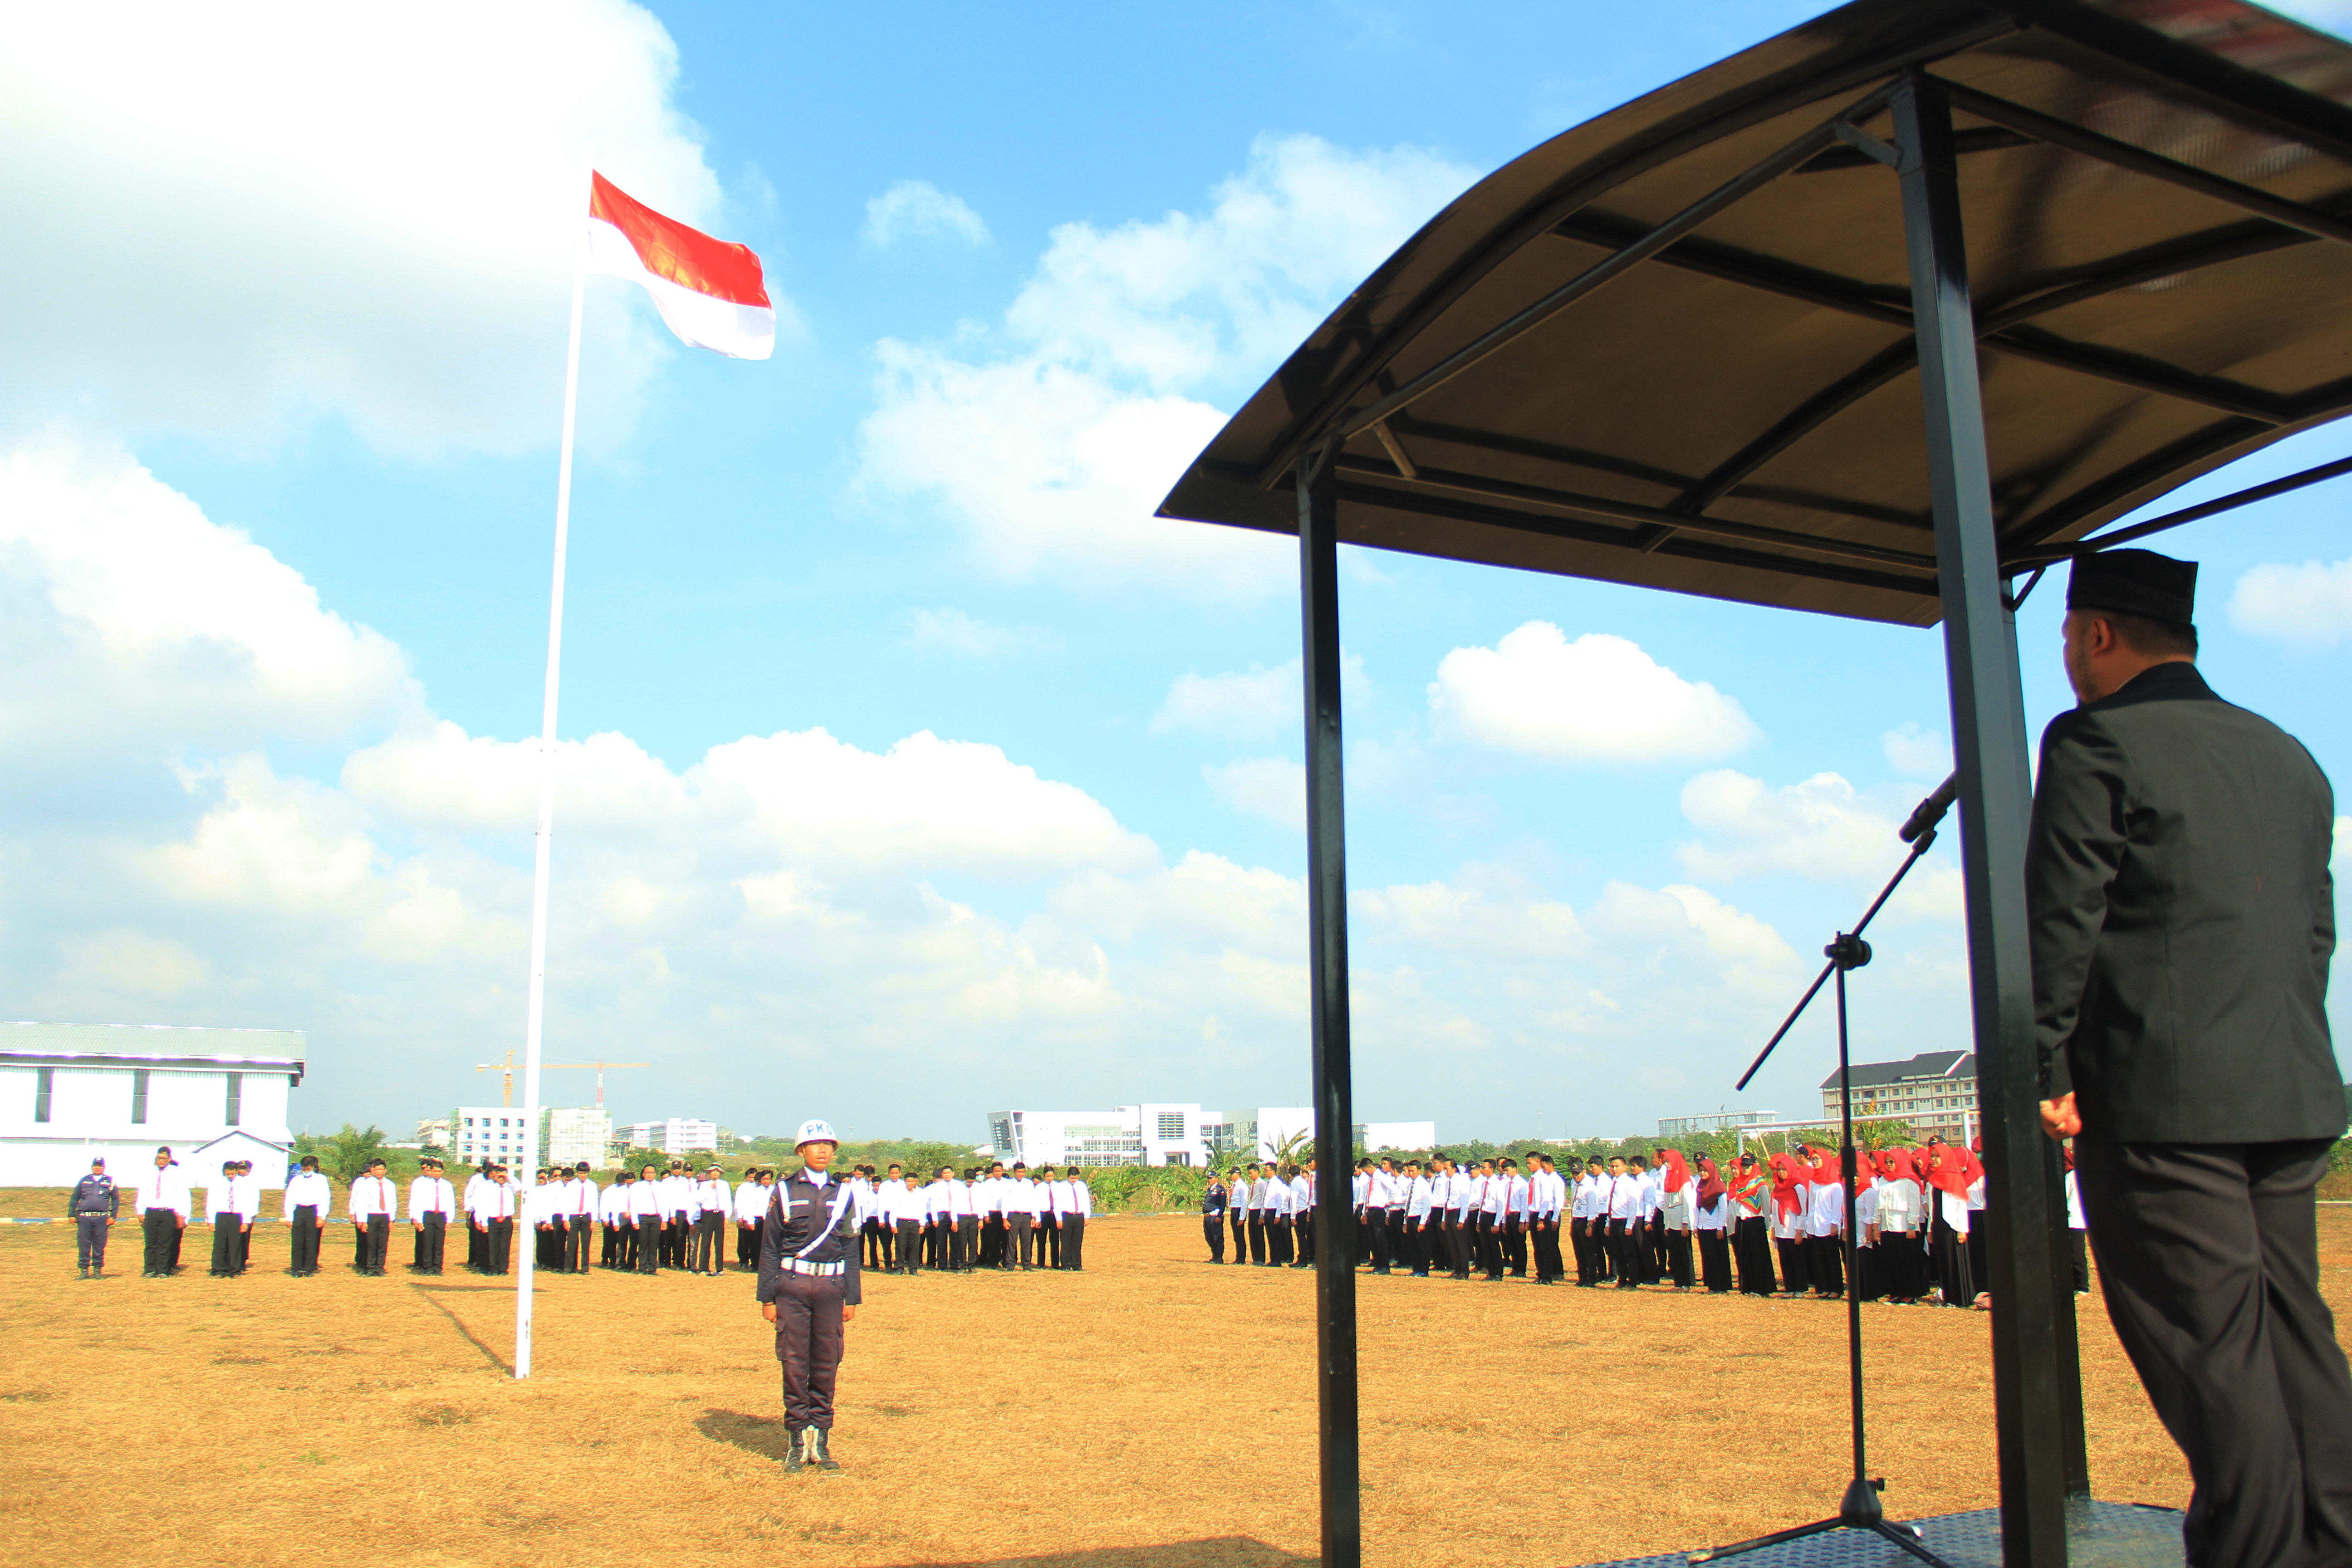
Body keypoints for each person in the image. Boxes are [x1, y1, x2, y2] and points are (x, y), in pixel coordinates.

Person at [2026, 548, 2352, 1568]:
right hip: (2286, 1084)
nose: (2071, 658)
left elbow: (2062, 914)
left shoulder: (2095, 741)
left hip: (2163, 1098)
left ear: (2099, 634)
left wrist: (2045, 1068)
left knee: (2215, 1354)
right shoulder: (2290, 754)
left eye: (2071, 638)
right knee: (2296, 1337)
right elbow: (2314, 935)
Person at [757, 1119, 861, 1474]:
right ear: (801, 1150)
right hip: (793, 1286)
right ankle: (797, 1440)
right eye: (815, 1145)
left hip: (832, 1289)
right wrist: (767, 1298)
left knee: (827, 1362)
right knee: (794, 1362)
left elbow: (850, 1248)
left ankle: (822, 1437)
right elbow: (770, 1249)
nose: (822, 1150)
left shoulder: (845, 1192)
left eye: (828, 1145)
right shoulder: (784, 1191)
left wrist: (852, 1298)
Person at [137, 1146, 191, 1278]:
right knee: (151, 1242)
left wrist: (182, 1215)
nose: (161, 1161)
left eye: (163, 1158)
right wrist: (140, 1211)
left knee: (165, 1243)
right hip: (151, 1211)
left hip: (168, 1212)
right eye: (158, 1158)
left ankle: (162, 1270)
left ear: (169, 1159)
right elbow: (143, 1192)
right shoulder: (149, 1172)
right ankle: (150, 1269)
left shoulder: (177, 1173)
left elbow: (183, 1194)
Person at [1729, 1152, 1774, 1295]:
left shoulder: (1761, 1184)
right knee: (1745, 1255)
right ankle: (1747, 1287)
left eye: (1748, 1166)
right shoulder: (1741, 1184)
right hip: (1742, 1221)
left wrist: (1767, 1224)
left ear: (1754, 1166)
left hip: (1756, 1222)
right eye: (1743, 1165)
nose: (1745, 1169)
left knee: (1757, 1256)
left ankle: (1760, 1288)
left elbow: (1766, 1206)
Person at [70, 1157, 118, 1279]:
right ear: (92, 1167)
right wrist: (71, 1214)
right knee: (84, 1244)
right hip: (85, 1218)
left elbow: (116, 1200)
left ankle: (97, 1270)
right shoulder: (84, 1181)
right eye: (95, 1166)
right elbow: (75, 1198)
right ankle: (84, 1271)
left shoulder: (110, 1181)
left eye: (100, 1166)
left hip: (101, 1218)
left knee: (99, 1244)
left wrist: (113, 1216)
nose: (97, 1168)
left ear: (104, 1168)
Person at [348, 1158, 396, 1276]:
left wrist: (391, 1219)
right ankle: (370, 1267)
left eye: (381, 1169)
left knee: (382, 1243)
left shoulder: (390, 1184)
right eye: (376, 1169)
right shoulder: (366, 1184)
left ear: (385, 1171)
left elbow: (392, 1203)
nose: (379, 1172)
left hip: (384, 1216)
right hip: (371, 1216)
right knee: (370, 1243)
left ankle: (380, 1267)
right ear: (372, 1170)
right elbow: (362, 1203)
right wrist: (362, 1221)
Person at [284, 1155, 330, 1277]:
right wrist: (289, 1217)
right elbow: (289, 1199)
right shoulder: (296, 1180)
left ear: (313, 1167)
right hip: (299, 1210)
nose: (306, 1172)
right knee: (298, 1241)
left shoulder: (321, 1179)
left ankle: (309, 1268)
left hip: (313, 1210)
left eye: (308, 1169)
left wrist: (322, 1216)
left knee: (312, 1240)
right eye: (304, 1170)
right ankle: (297, 1268)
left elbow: (325, 1198)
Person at [409, 1157, 456, 1275]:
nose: (437, 1174)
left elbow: (451, 1202)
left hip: (441, 1216)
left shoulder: (447, 1185)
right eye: (435, 1171)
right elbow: (417, 1202)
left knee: (439, 1244)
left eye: (439, 1172)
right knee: (428, 1242)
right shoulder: (423, 1184)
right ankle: (427, 1267)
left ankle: (438, 1267)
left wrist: (449, 1220)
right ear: (431, 1171)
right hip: (428, 1215)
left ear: (442, 1172)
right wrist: (418, 1219)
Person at [1694, 1156, 1733, 1293]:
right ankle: (1712, 1285)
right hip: (1704, 1227)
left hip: (1716, 1227)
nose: (1703, 1173)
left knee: (1718, 1257)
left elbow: (1723, 1209)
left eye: (1705, 1171)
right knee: (1708, 1257)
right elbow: (1697, 1207)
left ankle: (1721, 1286)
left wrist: (1720, 1227)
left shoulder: (1719, 1188)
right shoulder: (1700, 1187)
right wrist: (1696, 1226)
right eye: (1700, 1171)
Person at [473, 1164, 517, 1274]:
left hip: (507, 1220)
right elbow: (482, 1206)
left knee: (505, 1246)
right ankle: (493, 1268)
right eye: (499, 1177)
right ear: (494, 1176)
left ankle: (503, 1269)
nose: (502, 1179)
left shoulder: (510, 1187)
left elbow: (520, 1187)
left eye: (503, 1177)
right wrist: (483, 1222)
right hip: (492, 1219)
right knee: (492, 1245)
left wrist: (508, 1177)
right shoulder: (487, 1187)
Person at [692, 1165, 729, 1274]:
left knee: (719, 1242)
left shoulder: (725, 1184)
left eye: (717, 1172)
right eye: (713, 1171)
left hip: (720, 1214)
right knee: (706, 1241)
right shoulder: (705, 1185)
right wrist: (711, 1188)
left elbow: (728, 1200)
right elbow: (700, 1200)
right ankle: (703, 1268)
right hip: (708, 1214)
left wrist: (727, 1217)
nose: (715, 1173)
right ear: (710, 1173)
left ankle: (719, 1268)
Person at [629, 1164, 665, 1274]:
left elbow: (664, 1204)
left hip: (656, 1218)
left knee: (654, 1244)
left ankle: (653, 1268)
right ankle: (642, 1267)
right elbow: (633, 1204)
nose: (650, 1175)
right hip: (643, 1218)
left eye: (652, 1173)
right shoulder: (636, 1187)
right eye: (647, 1173)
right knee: (643, 1244)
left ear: (655, 1174)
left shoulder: (661, 1186)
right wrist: (635, 1220)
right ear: (643, 1174)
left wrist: (665, 1220)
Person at [1059, 1167, 1091, 1271]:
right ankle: (1066, 1265)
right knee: (1066, 1242)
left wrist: (1087, 1216)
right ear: (1067, 1177)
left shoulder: (1081, 1186)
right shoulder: (1062, 1186)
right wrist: (1059, 1219)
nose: (1074, 1180)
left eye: (1076, 1178)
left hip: (1079, 1216)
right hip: (1066, 1216)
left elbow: (1086, 1201)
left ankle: (1077, 1265)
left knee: (1077, 1242)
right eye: (1072, 1178)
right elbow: (1058, 1204)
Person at [1202, 1170, 1228, 1263]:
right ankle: (1214, 1255)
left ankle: (1219, 1257)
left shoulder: (1220, 1190)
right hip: (1208, 1217)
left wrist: (1219, 1216)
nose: (1209, 1180)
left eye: (1211, 1178)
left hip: (1215, 1216)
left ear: (1216, 1178)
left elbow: (1222, 1204)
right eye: (1208, 1179)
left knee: (1217, 1236)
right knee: (1209, 1236)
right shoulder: (1210, 1190)